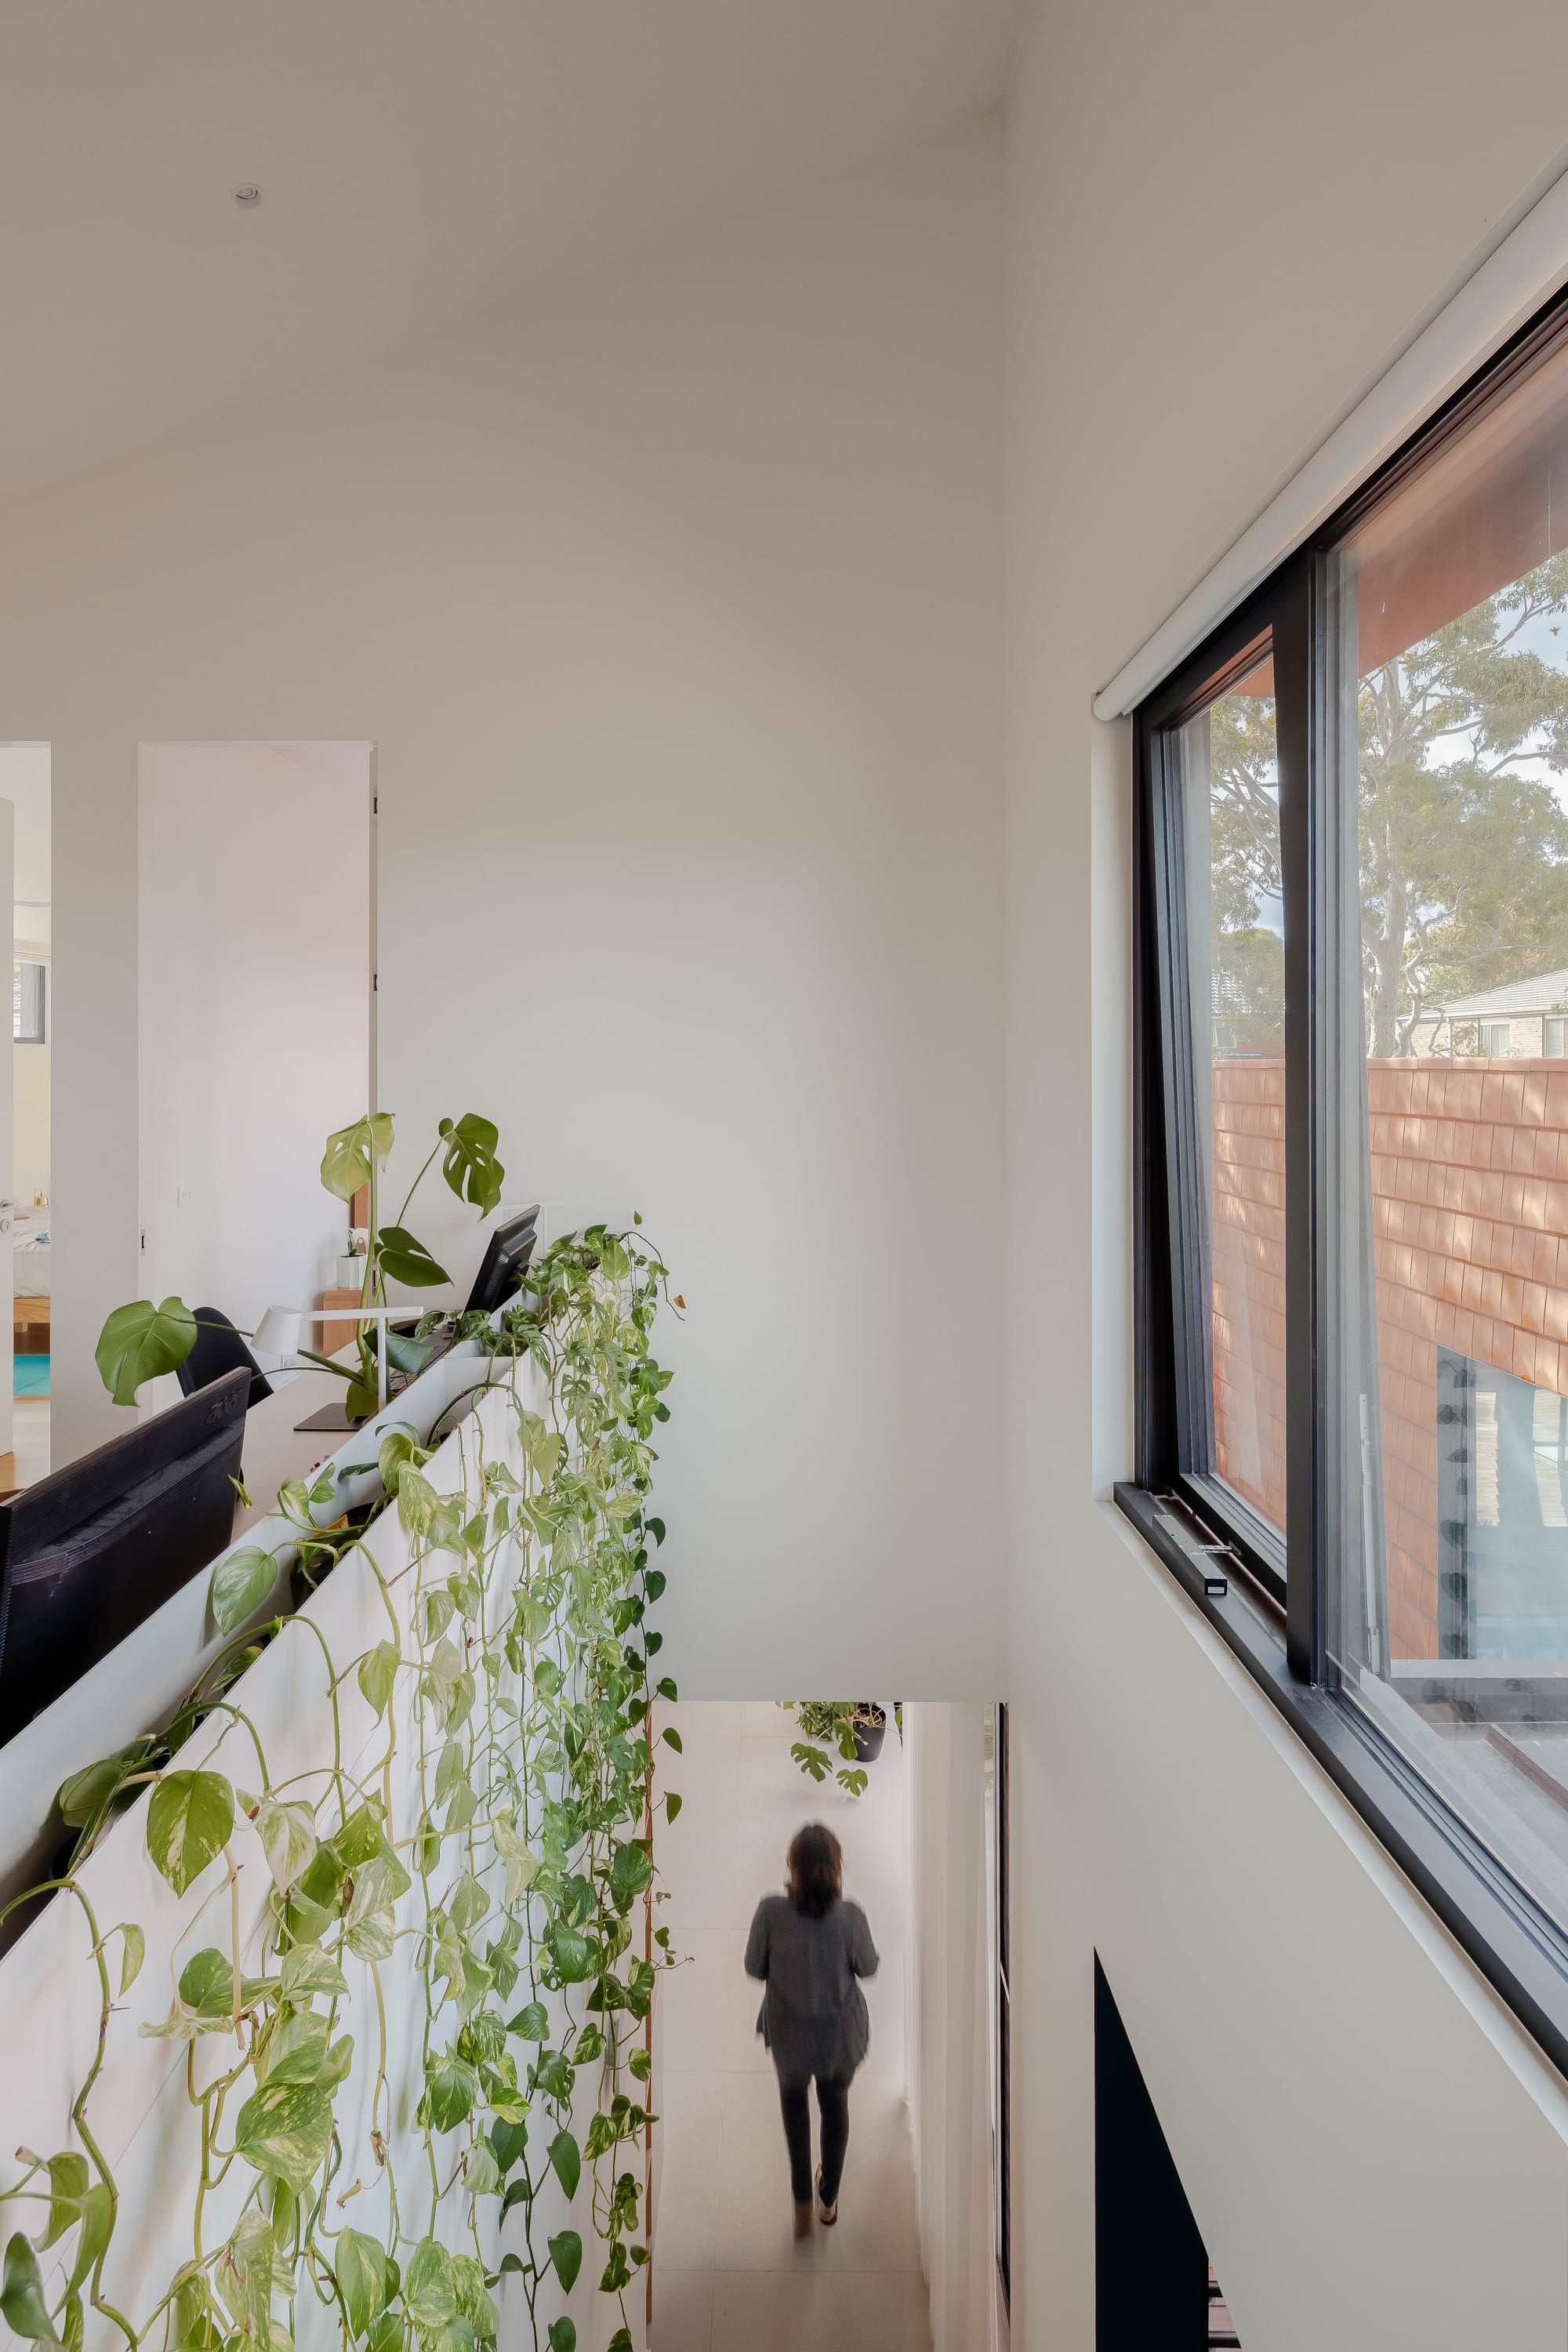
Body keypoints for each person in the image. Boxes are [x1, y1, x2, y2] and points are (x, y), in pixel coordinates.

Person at [744, 1822, 880, 2238]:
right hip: (840, 2040)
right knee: (835, 2108)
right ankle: (828, 2201)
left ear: (793, 1867)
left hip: (789, 2038)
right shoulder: (851, 1916)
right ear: (836, 1868)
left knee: (794, 2108)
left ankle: (801, 2200)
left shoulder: (770, 1912)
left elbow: (754, 1968)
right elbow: (869, 1968)